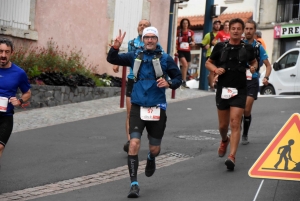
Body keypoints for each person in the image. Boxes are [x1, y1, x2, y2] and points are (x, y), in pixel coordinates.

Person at [107, 27, 182, 198]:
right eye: (146, 37)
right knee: (133, 143)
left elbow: (178, 78)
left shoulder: (165, 58)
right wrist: (116, 47)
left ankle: (151, 157)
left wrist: (169, 83)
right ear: (142, 39)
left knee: (155, 148)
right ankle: (134, 184)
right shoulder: (135, 55)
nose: (149, 40)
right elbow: (112, 59)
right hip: (138, 106)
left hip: (157, 107)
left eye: (152, 38)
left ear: (156, 40)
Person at [205, 18, 257, 170]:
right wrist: (215, 70)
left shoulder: (248, 48)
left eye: (238, 28)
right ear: (230, 30)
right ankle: (224, 139)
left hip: (240, 89)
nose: (235, 30)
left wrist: (253, 67)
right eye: (233, 28)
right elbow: (208, 62)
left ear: (242, 31)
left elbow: (254, 62)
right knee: (223, 125)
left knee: (235, 123)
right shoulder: (221, 46)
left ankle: (232, 156)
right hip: (223, 89)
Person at [112, 19, 151, 153]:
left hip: (147, 82)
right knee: (130, 112)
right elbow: (127, 57)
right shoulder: (132, 43)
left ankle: (143, 138)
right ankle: (130, 141)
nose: (142, 26)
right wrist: (117, 62)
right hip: (132, 80)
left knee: (146, 113)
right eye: (140, 24)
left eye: (145, 25)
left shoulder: (153, 44)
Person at [0, 38, 31, 161]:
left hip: (6, 117)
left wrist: (19, 101)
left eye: (7, 52)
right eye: (1, 51)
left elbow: (27, 93)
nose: (3, 55)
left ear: (11, 53)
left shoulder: (19, 73)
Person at [242, 20, 272, 145]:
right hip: (238, 80)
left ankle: (245, 134)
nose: (248, 31)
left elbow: (268, 65)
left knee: (247, 110)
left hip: (252, 80)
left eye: (251, 29)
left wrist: (266, 77)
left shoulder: (258, 47)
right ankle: (235, 129)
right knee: (236, 109)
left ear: (254, 31)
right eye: (246, 29)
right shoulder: (238, 44)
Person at [200, 20, 221, 91]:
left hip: (219, 55)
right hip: (210, 54)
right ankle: (212, 86)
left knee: (217, 71)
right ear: (213, 25)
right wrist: (205, 46)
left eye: (219, 24)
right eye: (216, 24)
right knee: (212, 70)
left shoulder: (221, 34)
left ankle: (213, 82)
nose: (217, 26)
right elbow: (202, 44)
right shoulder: (209, 35)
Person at [176, 18, 195, 88]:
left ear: (188, 24)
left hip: (187, 50)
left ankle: (180, 76)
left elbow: (193, 41)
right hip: (180, 50)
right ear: (181, 24)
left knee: (187, 66)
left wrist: (193, 43)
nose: (185, 24)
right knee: (185, 65)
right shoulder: (178, 32)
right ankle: (183, 81)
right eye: (184, 23)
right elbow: (175, 39)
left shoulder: (191, 32)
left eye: (186, 23)